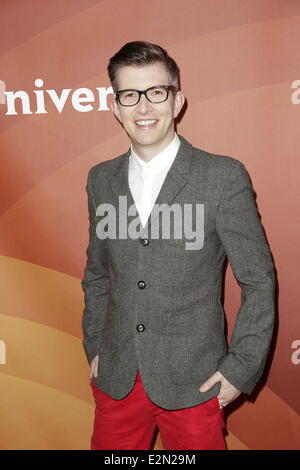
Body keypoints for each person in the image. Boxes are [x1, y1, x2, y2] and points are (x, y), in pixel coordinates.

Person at [81, 41, 275, 450]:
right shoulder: (101, 179)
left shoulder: (221, 177)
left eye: (156, 92)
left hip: (195, 382)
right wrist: (95, 344)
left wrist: (240, 369)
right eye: (129, 95)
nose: (143, 107)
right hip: (116, 380)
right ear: (116, 107)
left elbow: (258, 279)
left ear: (177, 100)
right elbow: (97, 273)